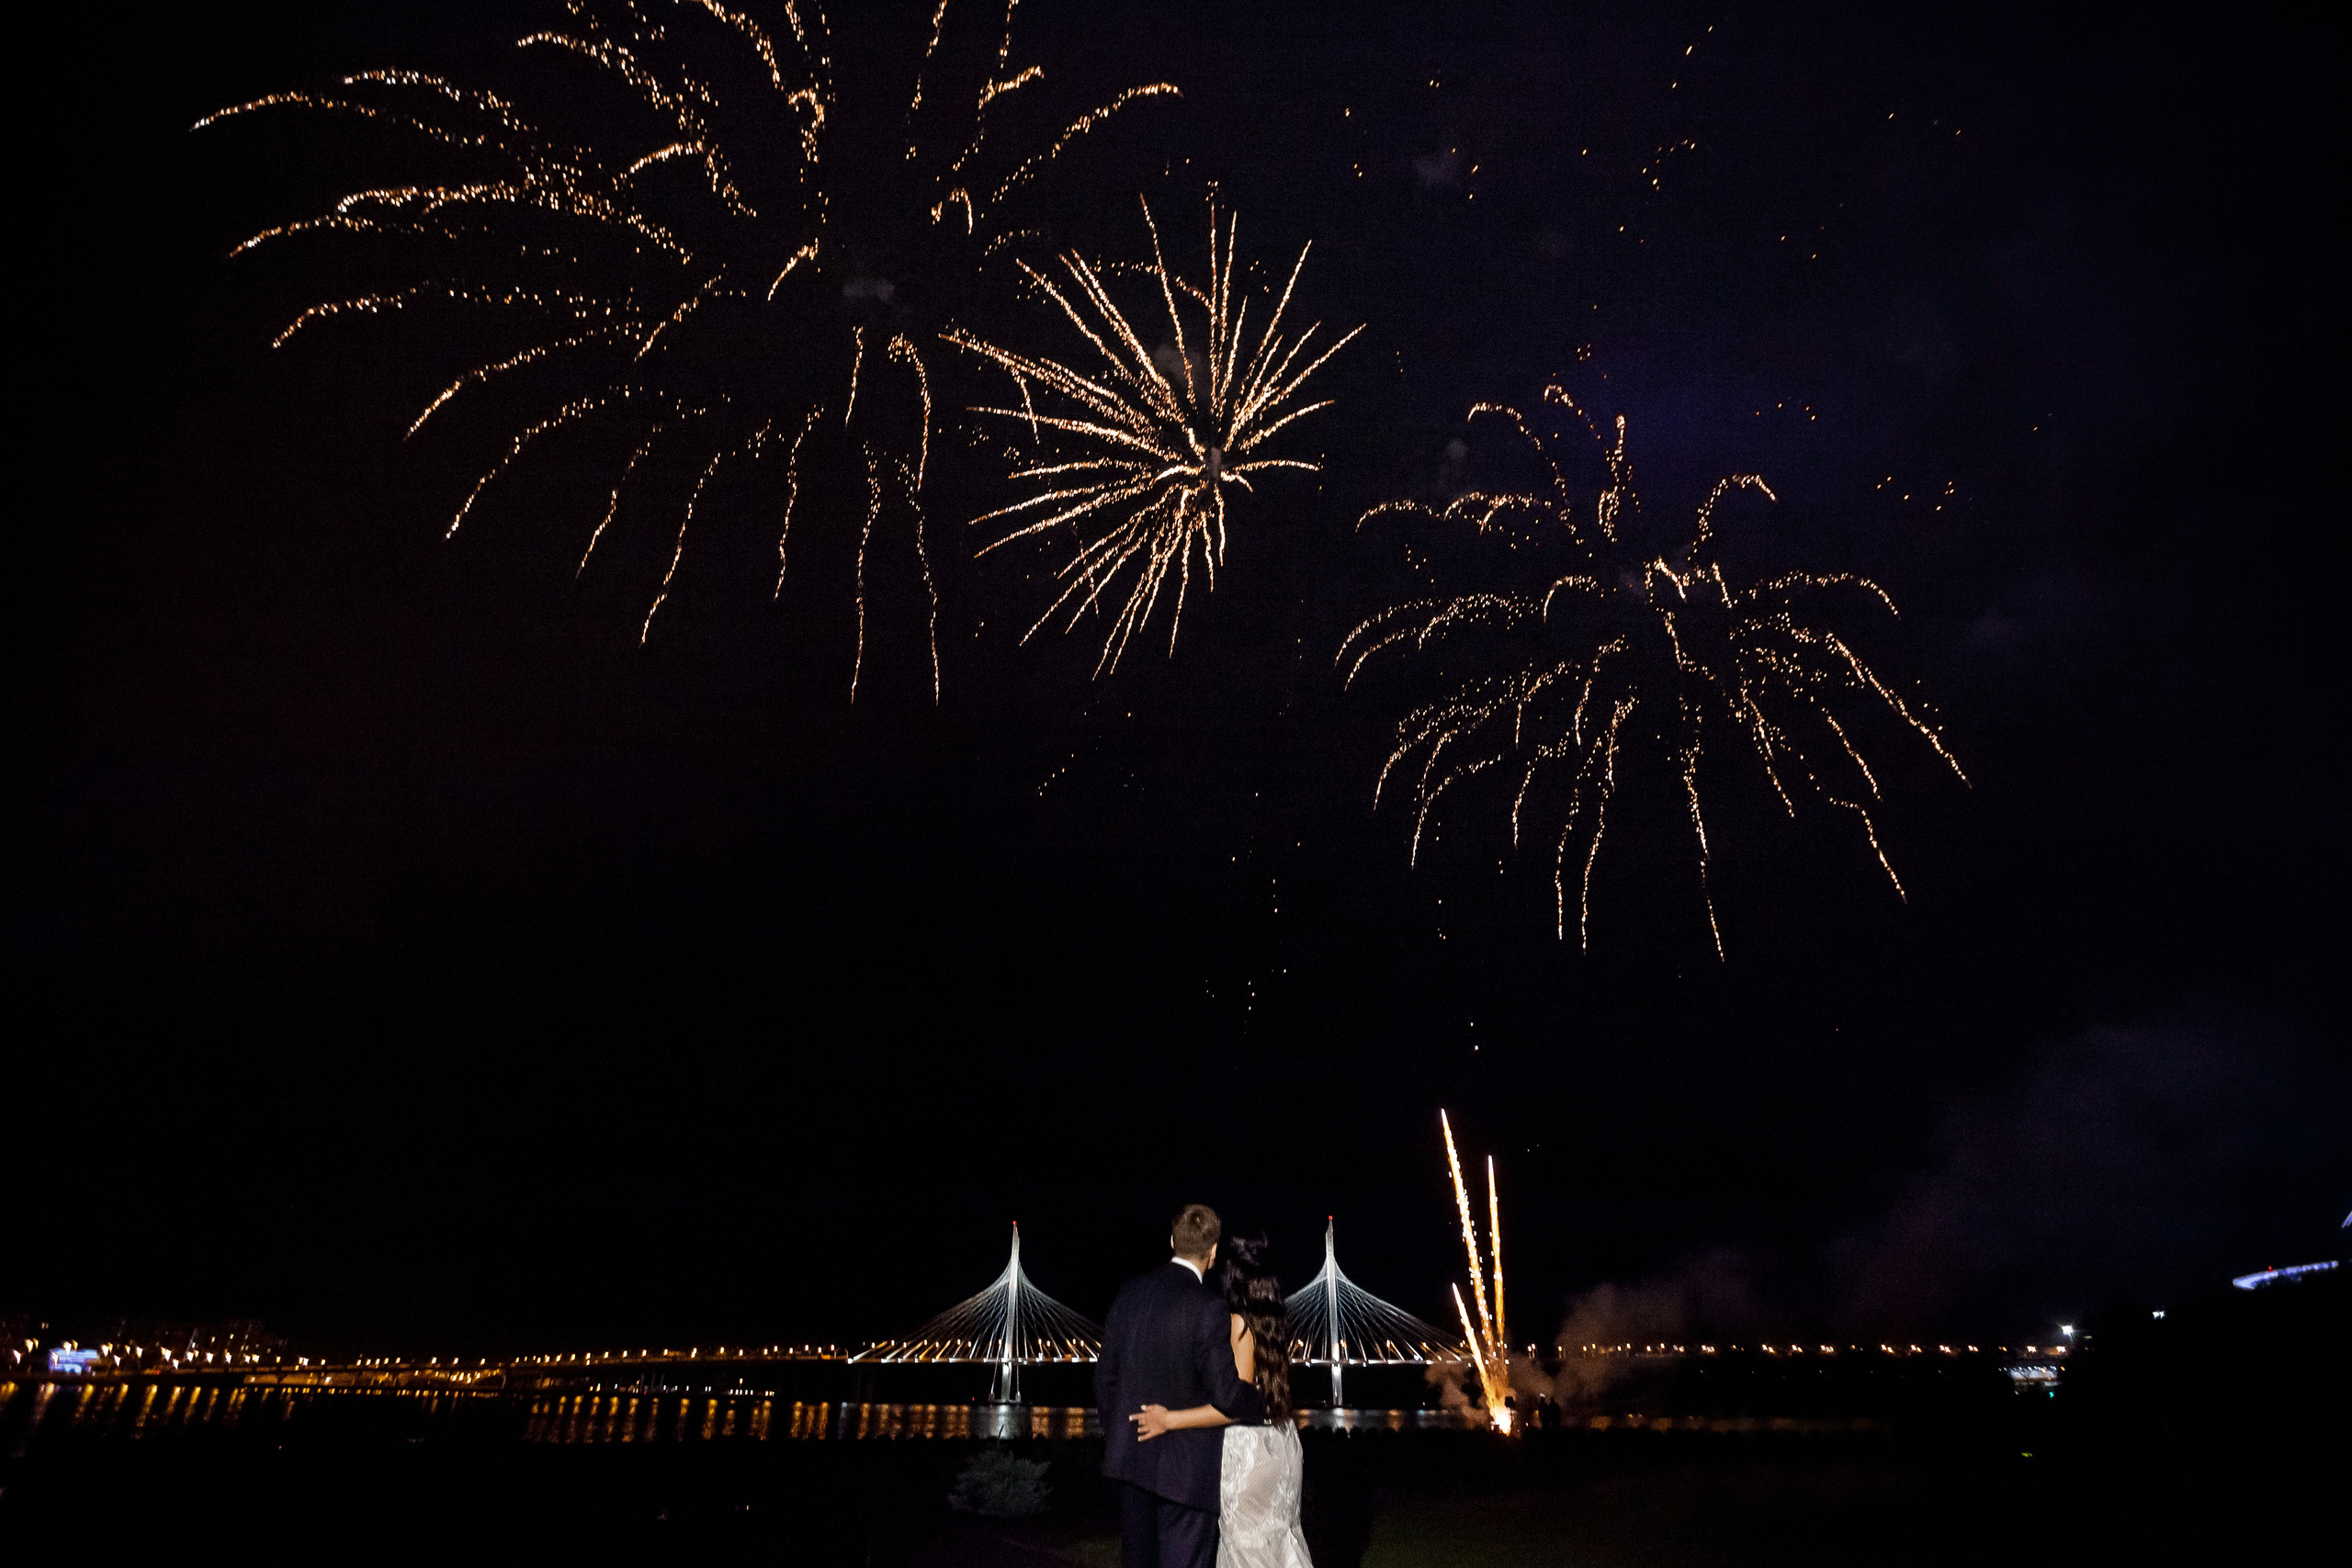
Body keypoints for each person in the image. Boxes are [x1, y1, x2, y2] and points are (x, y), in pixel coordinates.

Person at [1130, 1232, 1313, 1568]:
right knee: (1280, 1542)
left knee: (1244, 1549)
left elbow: (1236, 1404)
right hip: (1284, 1445)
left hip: (1248, 1452)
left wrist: (1168, 1419)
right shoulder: (1275, 1326)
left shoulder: (1237, 1325)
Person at [1098, 1204, 1266, 1568]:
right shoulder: (1208, 1307)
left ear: (1172, 1240)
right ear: (1214, 1251)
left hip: (1131, 1462)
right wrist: (1259, 1403)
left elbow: (1105, 1379)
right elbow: (1227, 1395)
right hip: (1187, 1476)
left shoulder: (1129, 1293)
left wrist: (1123, 1432)